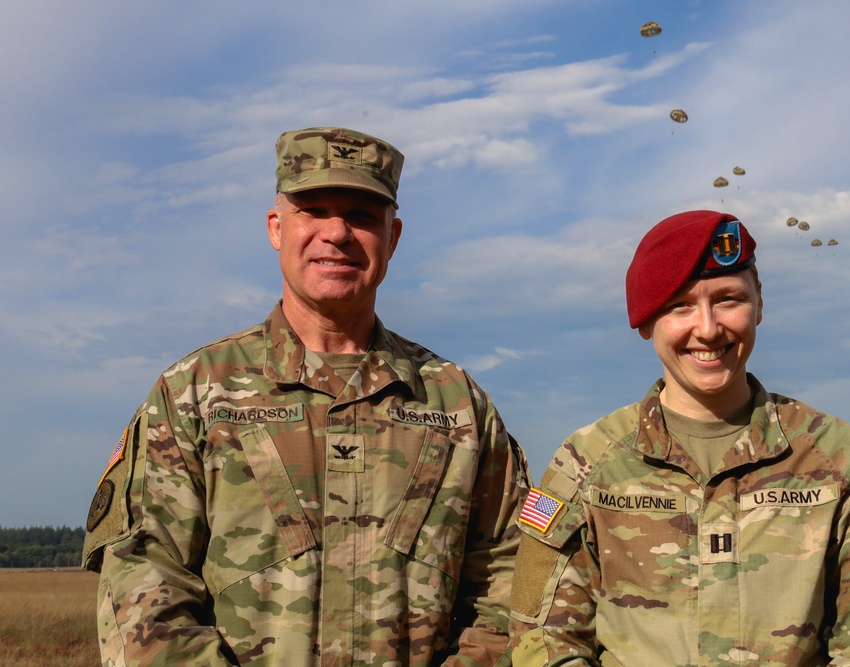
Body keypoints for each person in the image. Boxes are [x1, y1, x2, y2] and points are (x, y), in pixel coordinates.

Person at [82, 127, 531, 666]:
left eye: (363, 215)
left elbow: (513, 586)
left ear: (394, 236)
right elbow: (142, 588)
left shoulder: (457, 406)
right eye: (314, 210)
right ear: (276, 228)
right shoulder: (195, 394)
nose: (337, 233)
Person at [508, 210, 850, 665]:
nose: (707, 328)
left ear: (759, 302)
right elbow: (543, 638)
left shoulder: (840, 458)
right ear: (646, 321)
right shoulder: (586, 463)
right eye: (680, 305)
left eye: (728, 299)